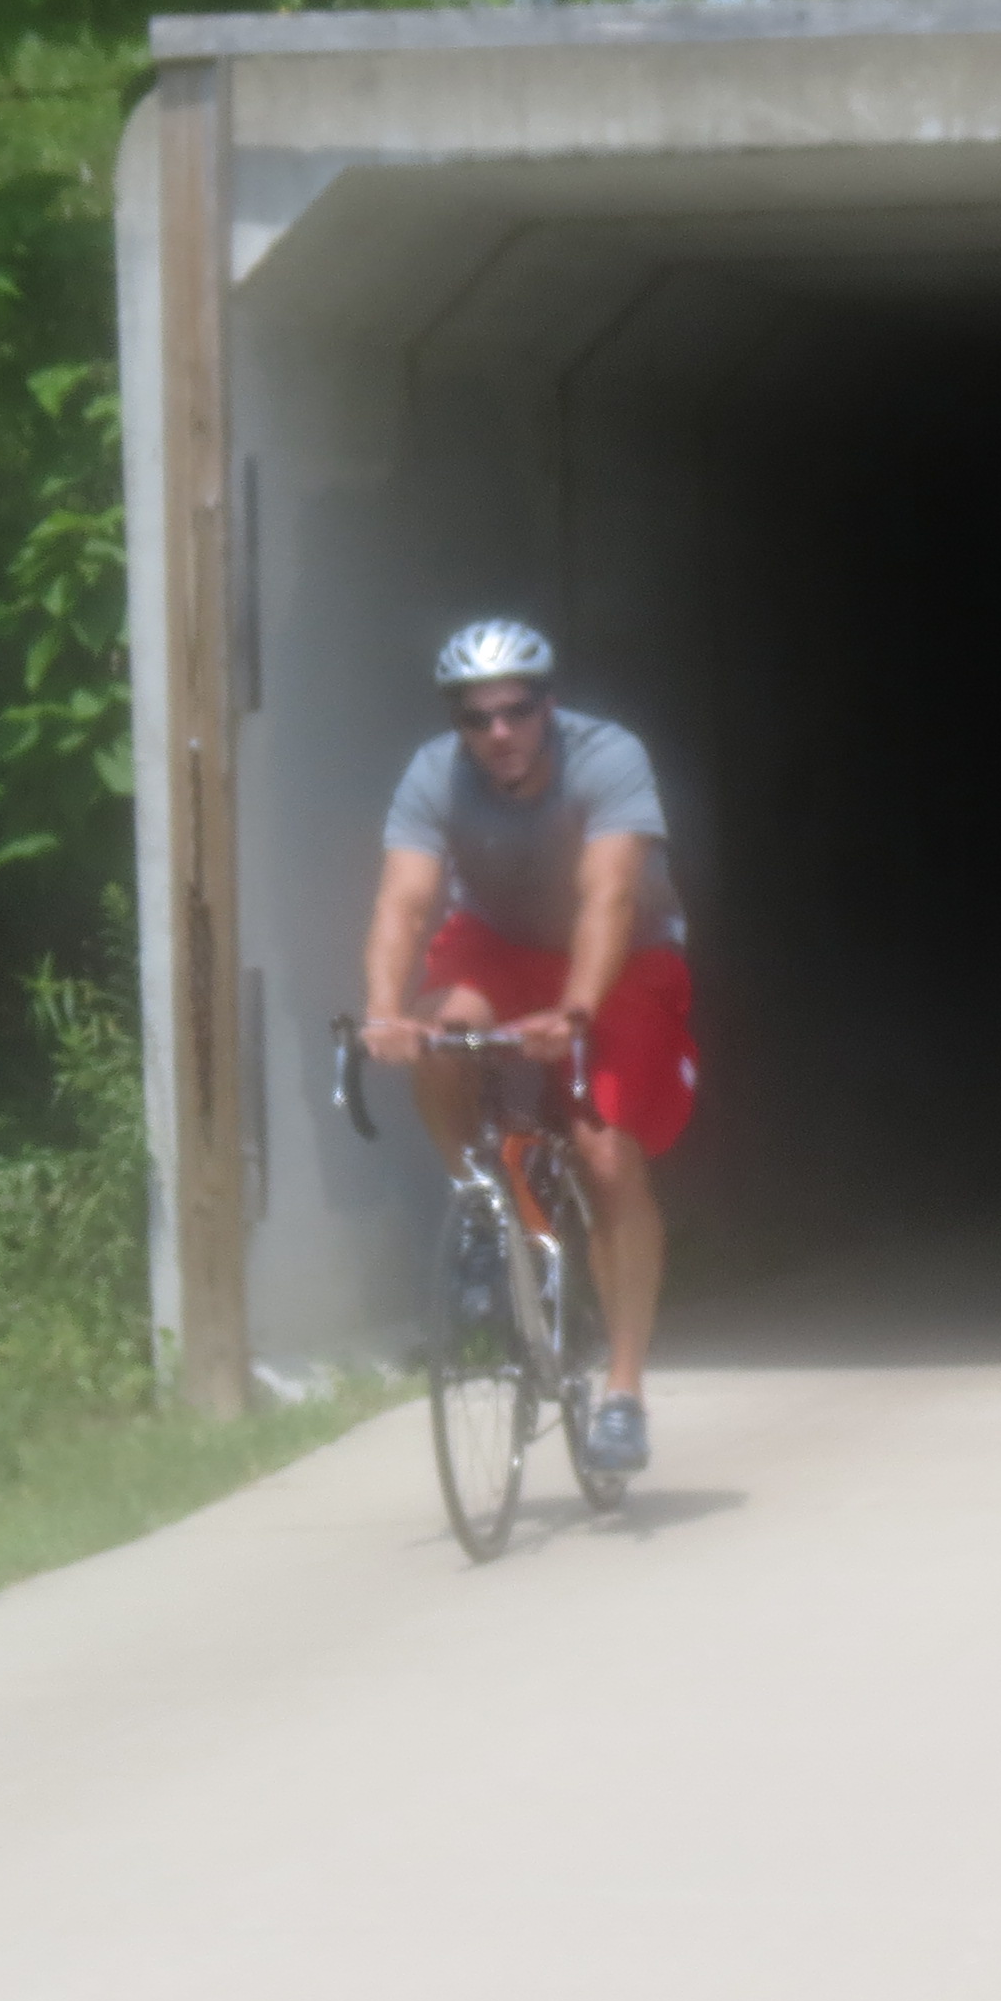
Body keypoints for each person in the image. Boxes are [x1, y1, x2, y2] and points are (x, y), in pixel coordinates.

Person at [357, 620, 693, 1476]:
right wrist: (384, 1009)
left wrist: (575, 1011)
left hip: (621, 957)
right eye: (477, 718)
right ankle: (485, 1212)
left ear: (548, 706)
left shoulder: (608, 757)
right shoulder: (435, 775)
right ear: (458, 725)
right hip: (500, 944)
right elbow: (404, 902)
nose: (498, 732)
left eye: (516, 710)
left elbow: (609, 897)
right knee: (438, 1039)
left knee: (606, 1157)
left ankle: (622, 1393)